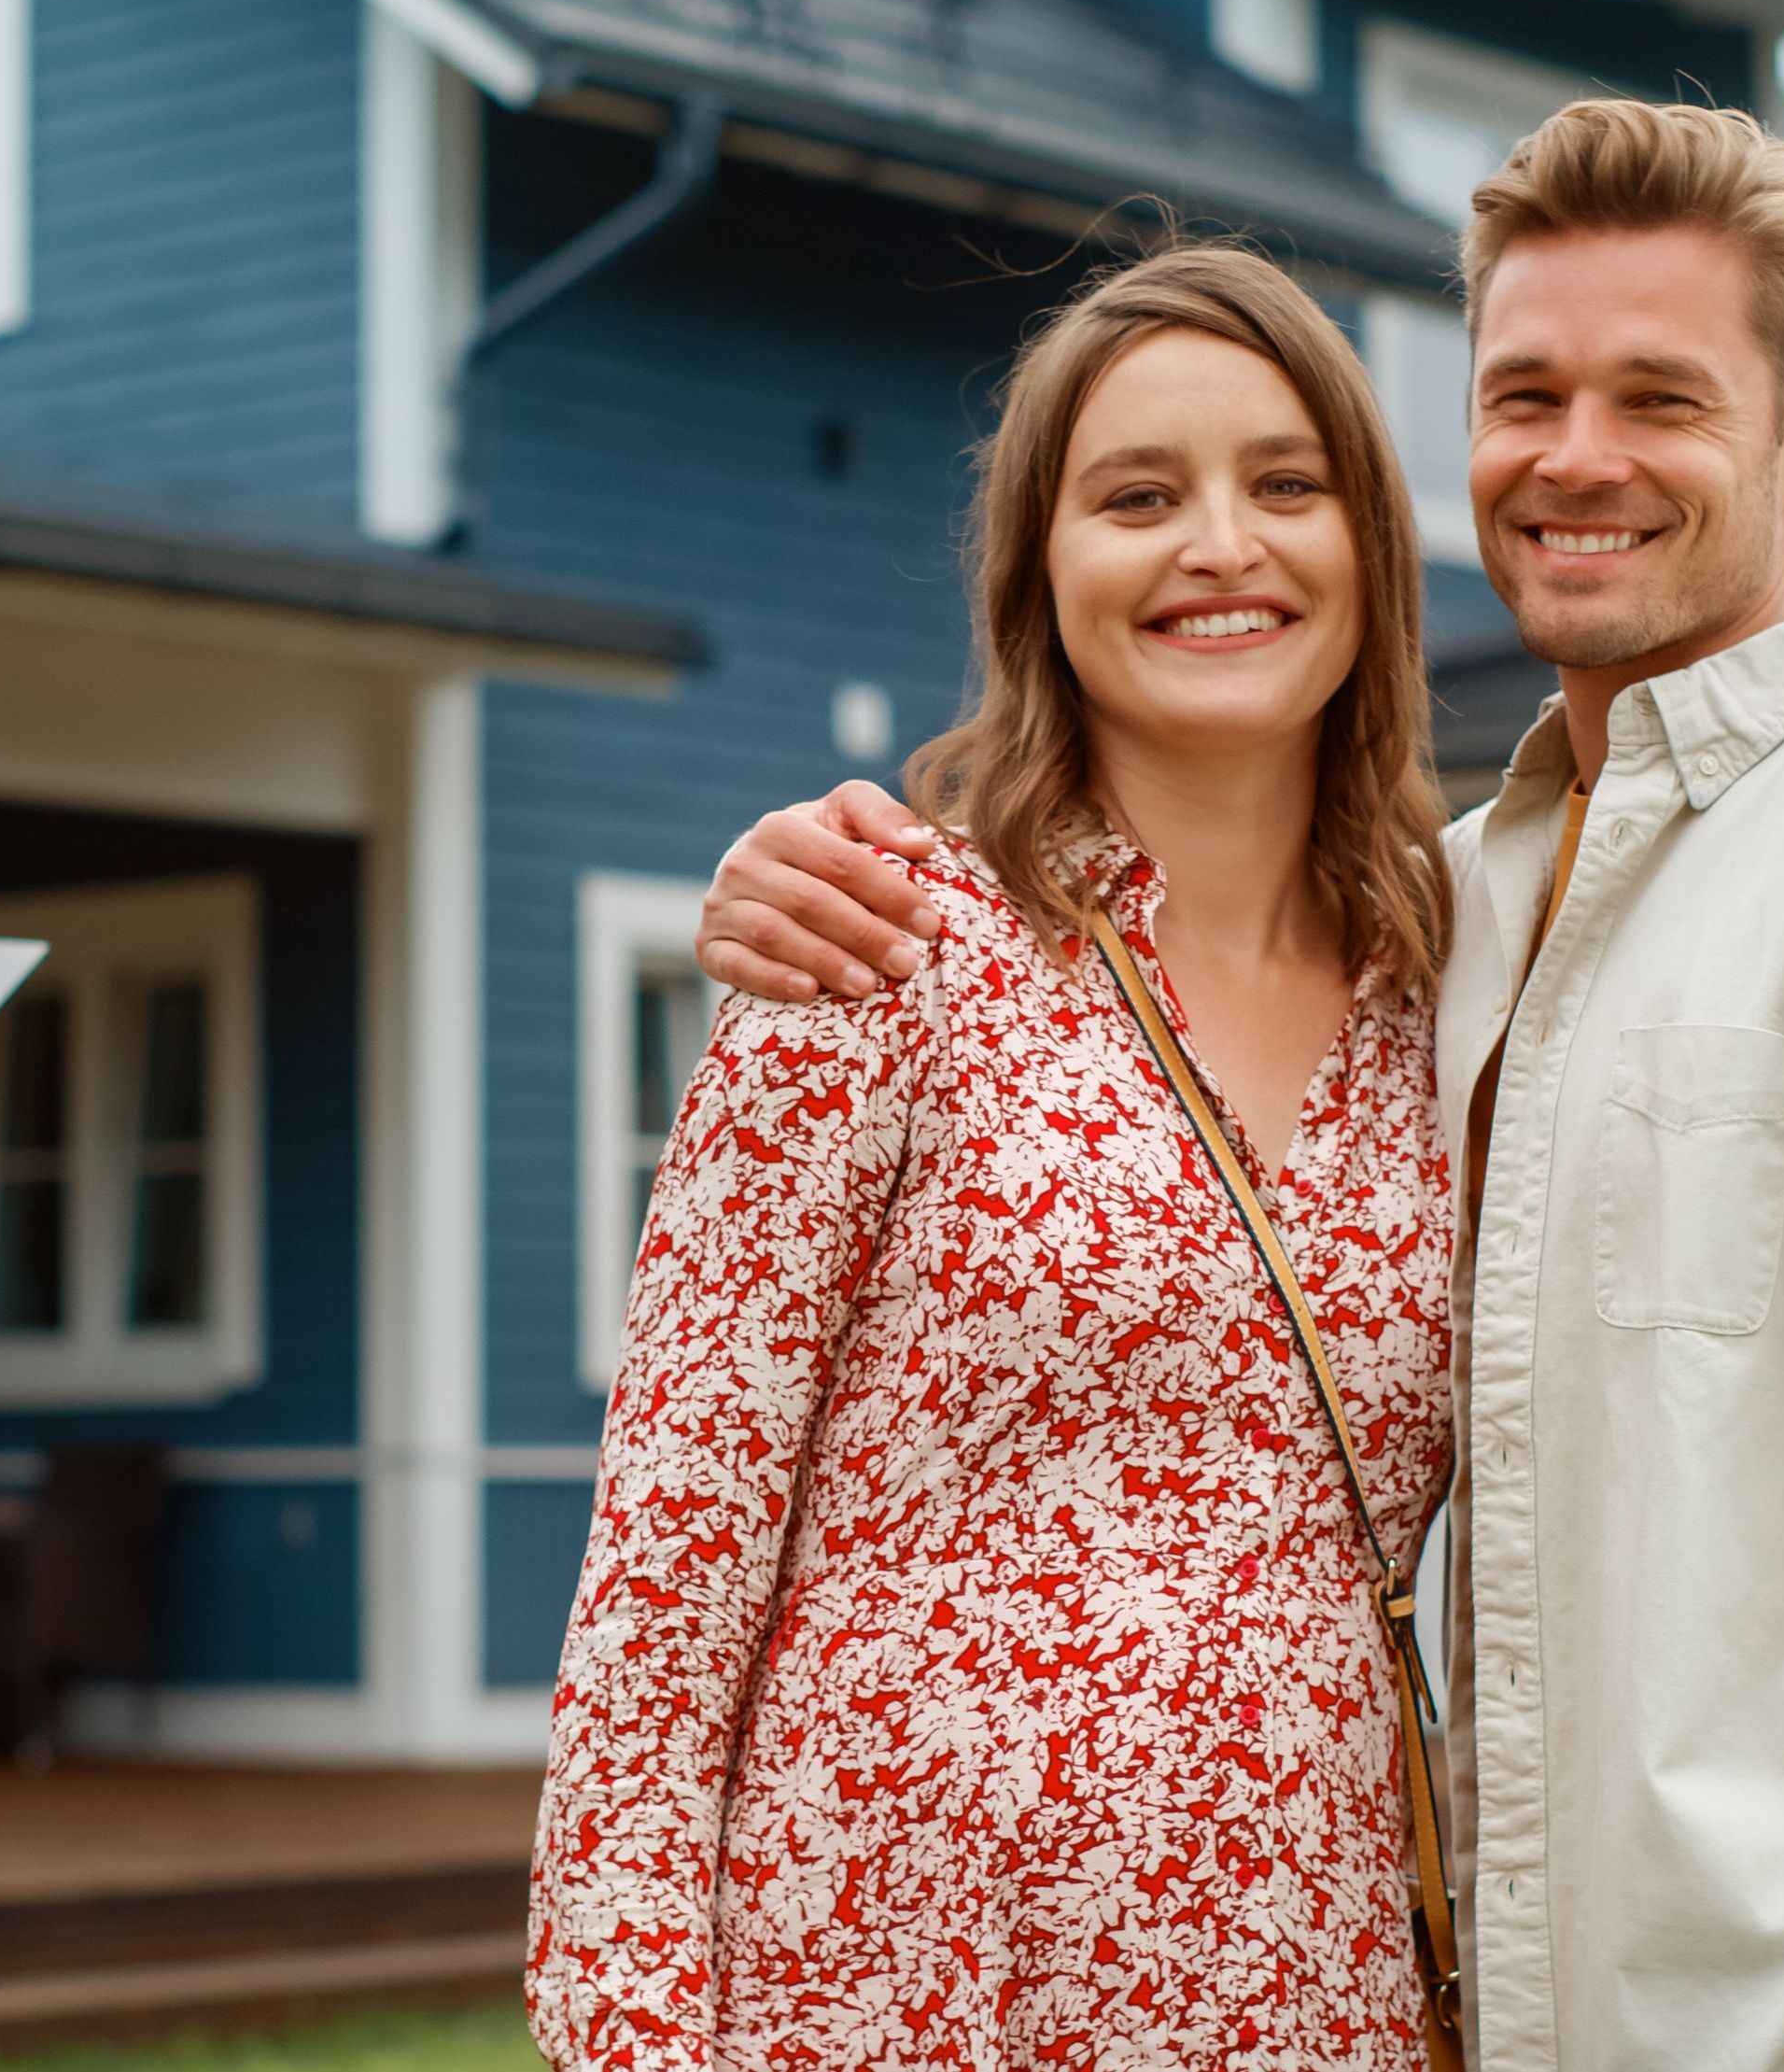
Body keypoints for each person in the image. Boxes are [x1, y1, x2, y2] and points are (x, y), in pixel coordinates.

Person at [695, 101, 1784, 2072]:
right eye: (1526, 395)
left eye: (1662, 398)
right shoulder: (1454, 913)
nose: (1577, 460)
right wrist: (801, 874)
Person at [529, 244, 1466, 2070]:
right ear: (1040, 570)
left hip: (1316, 2001)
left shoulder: (1461, 993)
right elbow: (659, 1600)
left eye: (1287, 484)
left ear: (1373, 549)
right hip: (895, 2002)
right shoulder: (871, 949)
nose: (1219, 545)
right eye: (1137, 496)